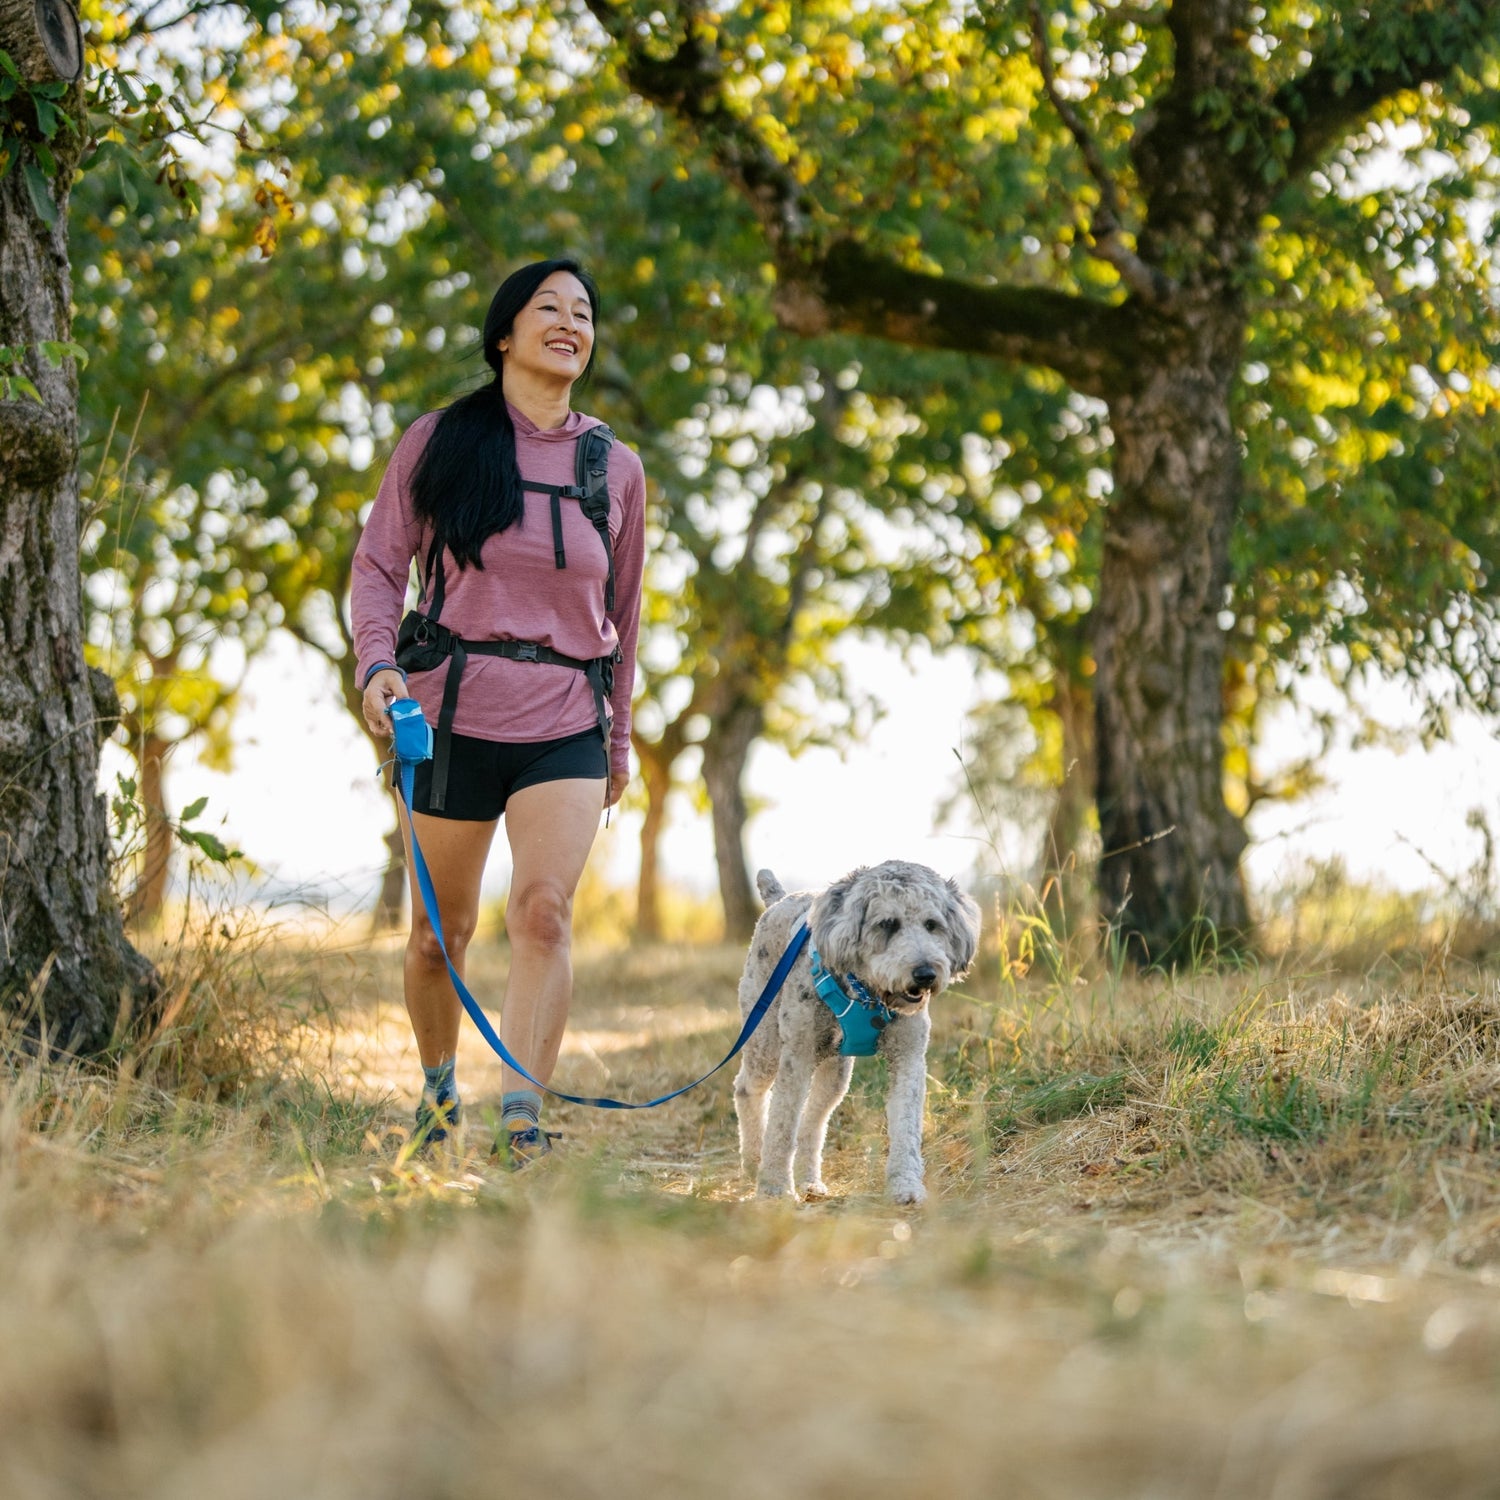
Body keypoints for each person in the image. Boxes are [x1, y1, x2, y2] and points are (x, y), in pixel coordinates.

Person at [351, 258, 646, 1166]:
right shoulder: (439, 441)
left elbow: (625, 618)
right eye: (548, 308)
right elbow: (376, 567)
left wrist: (618, 736)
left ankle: (523, 1117)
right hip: (446, 715)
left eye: (585, 312)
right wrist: (376, 668)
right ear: (504, 335)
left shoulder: (617, 469)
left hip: (566, 718)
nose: (571, 323)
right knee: (442, 940)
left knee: (544, 912)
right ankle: (440, 1092)